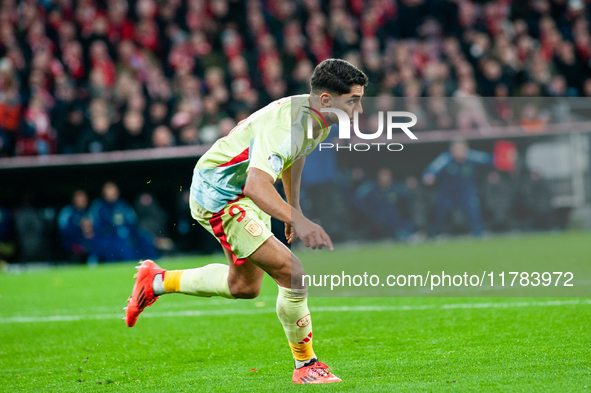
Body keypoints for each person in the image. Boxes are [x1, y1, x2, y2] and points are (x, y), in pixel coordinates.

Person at [125, 59, 368, 384]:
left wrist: (292, 207)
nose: (359, 109)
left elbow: (294, 155)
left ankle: (155, 281)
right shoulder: (289, 124)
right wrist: (300, 219)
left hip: (247, 191)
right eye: (353, 101)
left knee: (244, 287)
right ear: (326, 100)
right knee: (292, 272)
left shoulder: (317, 117)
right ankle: (306, 366)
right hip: (222, 193)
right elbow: (256, 183)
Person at [422, 139, 491, 236]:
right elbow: (430, 171)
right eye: (456, 149)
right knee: (440, 214)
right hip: (447, 194)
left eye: (462, 149)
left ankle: (478, 234)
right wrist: (429, 177)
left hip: (467, 192)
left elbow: (491, 159)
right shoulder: (445, 159)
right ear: (451, 149)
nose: (459, 151)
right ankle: (432, 235)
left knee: (474, 213)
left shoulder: (472, 156)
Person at [89, 182, 158, 262]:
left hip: (124, 237)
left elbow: (133, 223)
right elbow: (94, 225)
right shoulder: (98, 207)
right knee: (116, 246)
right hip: (106, 237)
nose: (111, 193)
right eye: (108, 191)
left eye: (113, 190)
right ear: (103, 193)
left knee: (144, 238)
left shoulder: (123, 206)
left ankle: (153, 263)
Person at [57, 190, 93, 261]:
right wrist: (79, 227)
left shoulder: (90, 212)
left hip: (89, 247)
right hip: (72, 247)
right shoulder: (67, 212)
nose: (81, 200)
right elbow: (62, 231)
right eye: (79, 198)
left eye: (83, 198)